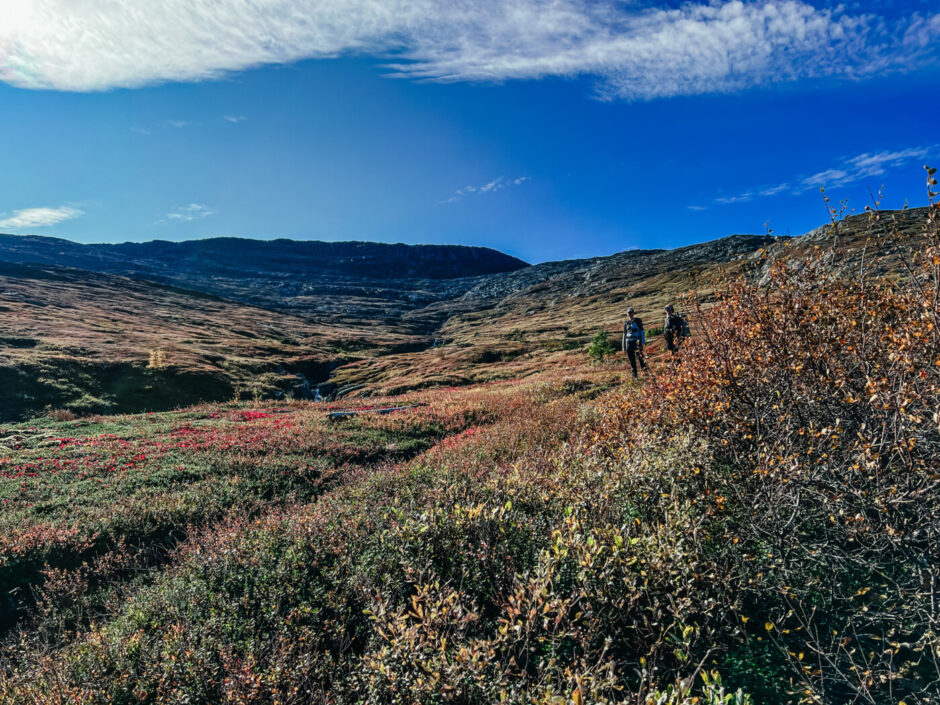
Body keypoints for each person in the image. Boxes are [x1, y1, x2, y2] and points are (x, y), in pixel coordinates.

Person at [622, 307, 647, 378]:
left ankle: (646, 374)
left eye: (631, 312)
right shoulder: (626, 323)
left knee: (641, 358)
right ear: (627, 314)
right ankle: (635, 376)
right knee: (632, 360)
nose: (630, 314)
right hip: (628, 343)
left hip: (637, 342)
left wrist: (642, 342)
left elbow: (642, 332)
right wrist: (623, 347)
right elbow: (624, 335)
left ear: (633, 313)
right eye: (629, 313)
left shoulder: (638, 321)